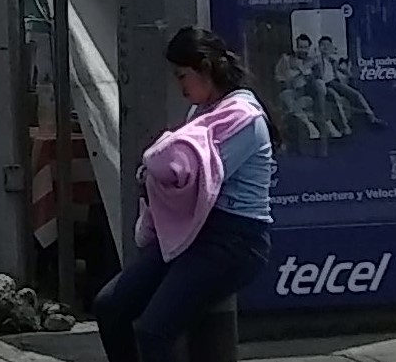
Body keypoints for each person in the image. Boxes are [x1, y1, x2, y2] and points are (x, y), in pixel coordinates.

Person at [93, 27, 281, 362]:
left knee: (154, 331)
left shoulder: (244, 119)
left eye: (183, 76)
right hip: (194, 232)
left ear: (205, 68)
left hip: (234, 240)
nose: (181, 88)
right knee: (110, 305)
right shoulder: (201, 113)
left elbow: (198, 178)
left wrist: (155, 176)